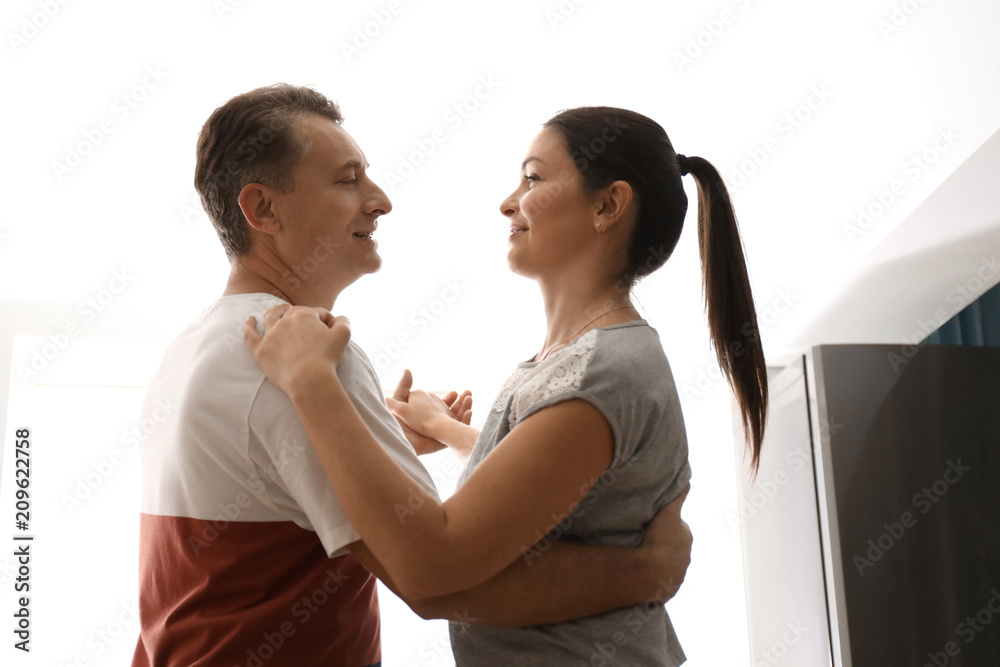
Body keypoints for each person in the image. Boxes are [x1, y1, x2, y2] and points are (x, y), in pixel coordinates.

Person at [132, 86, 693, 667]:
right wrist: (646, 572)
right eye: (347, 179)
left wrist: (391, 440)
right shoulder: (303, 357)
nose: (380, 200)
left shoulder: (193, 349)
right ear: (264, 210)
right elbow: (438, 576)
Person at [243, 106, 768, 665]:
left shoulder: (604, 372)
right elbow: (554, 482)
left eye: (534, 177)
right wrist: (445, 430)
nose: (508, 201)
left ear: (608, 205)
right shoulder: (573, 361)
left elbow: (433, 571)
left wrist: (311, 381)